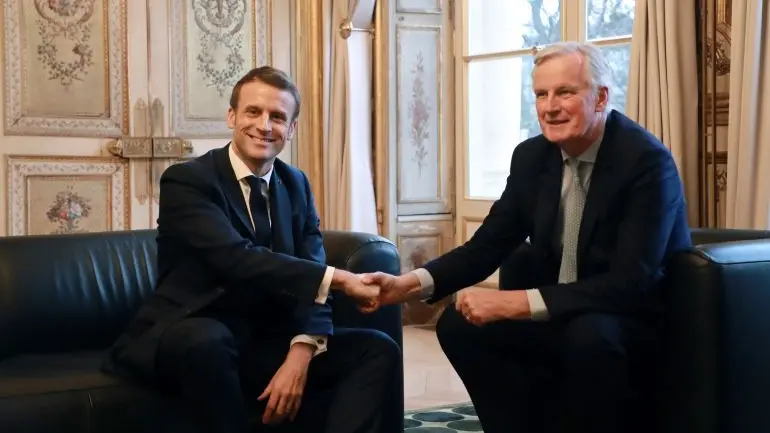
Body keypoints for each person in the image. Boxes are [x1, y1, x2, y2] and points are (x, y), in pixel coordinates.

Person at [362, 41, 692, 433]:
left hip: (630, 321)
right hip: (563, 312)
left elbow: (631, 284)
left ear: (601, 97)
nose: (550, 107)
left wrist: (518, 303)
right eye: (540, 94)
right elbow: (487, 245)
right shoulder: (532, 157)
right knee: (458, 325)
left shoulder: (645, 162)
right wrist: (409, 284)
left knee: (589, 337)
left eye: (565, 93)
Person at [102, 66, 400, 433]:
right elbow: (236, 258)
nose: (264, 126)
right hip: (193, 328)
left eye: (278, 117)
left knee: (377, 349)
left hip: (263, 337)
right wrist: (342, 279)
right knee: (207, 341)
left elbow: (311, 268)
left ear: (291, 129)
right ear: (232, 116)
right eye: (253, 112)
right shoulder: (187, 180)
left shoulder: (296, 184)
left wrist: (301, 352)